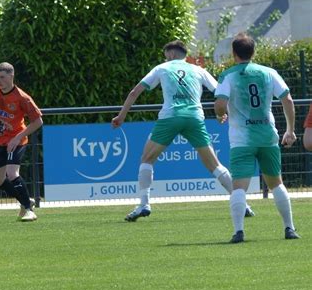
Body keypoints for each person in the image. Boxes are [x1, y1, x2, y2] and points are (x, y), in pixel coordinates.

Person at [112, 40, 254, 222]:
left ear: (170, 55)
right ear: (184, 54)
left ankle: (144, 204)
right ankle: (242, 204)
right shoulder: (198, 69)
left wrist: (121, 116)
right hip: (194, 118)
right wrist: (221, 114)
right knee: (215, 165)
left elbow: (134, 92)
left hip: (170, 117)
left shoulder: (161, 68)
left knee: (147, 159)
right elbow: (220, 92)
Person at [214, 32, 300, 243]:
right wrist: (290, 130)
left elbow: (219, 103)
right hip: (267, 137)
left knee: (239, 187)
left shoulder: (228, 75)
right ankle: (289, 228)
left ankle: (239, 232)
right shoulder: (268, 72)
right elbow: (287, 99)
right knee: (276, 183)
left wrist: (220, 115)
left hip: (242, 140)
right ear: (253, 52)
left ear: (234, 53)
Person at [0, 62, 43, 221]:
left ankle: (28, 209)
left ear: (11, 76)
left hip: (16, 141)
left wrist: (18, 137)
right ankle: (25, 200)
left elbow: (38, 121)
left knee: (12, 174)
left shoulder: (22, 97)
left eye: (3, 77)